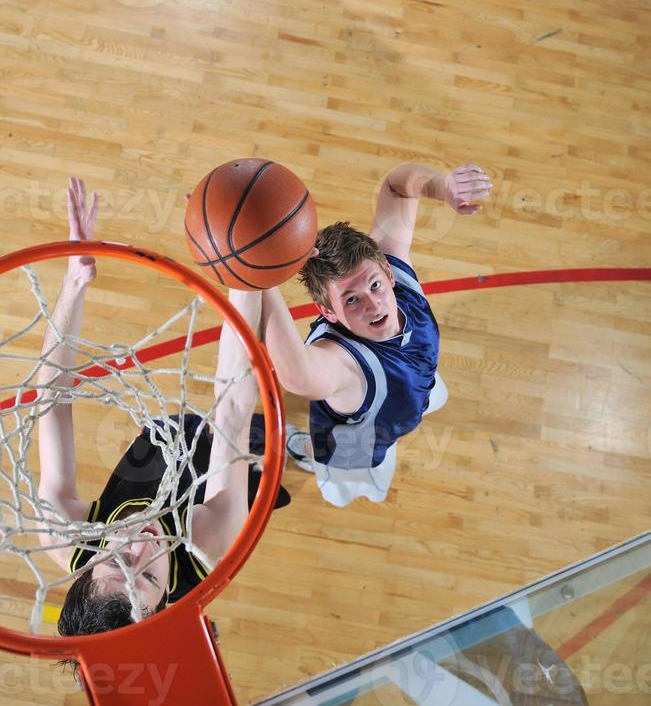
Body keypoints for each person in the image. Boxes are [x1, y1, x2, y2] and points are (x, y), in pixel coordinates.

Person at [35, 178, 287, 654]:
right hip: (218, 473)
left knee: (189, 430)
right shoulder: (207, 547)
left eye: (115, 561)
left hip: (162, 449)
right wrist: (247, 274)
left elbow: (52, 401)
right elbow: (231, 409)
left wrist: (74, 281)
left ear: (87, 564)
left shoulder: (63, 535)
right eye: (148, 573)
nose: (141, 545)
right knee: (272, 445)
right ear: (165, 594)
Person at [260, 163, 492, 507]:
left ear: (387, 271)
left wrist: (441, 187)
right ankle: (306, 450)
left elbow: (398, 186)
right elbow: (299, 376)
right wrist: (255, 277)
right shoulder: (342, 361)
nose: (372, 304)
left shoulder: (394, 266)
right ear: (328, 312)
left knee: (432, 396)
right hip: (358, 446)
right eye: (351, 299)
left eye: (375, 285)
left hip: (417, 386)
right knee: (349, 492)